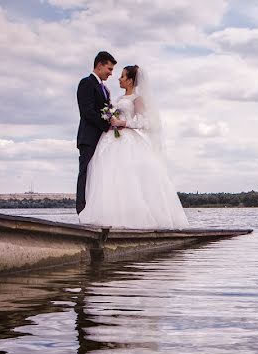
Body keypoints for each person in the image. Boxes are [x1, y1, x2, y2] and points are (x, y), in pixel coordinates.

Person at [78, 64, 190, 230]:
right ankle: (110, 217)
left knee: (128, 178)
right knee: (109, 177)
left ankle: (134, 219)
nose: (119, 78)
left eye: (122, 76)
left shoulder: (137, 99)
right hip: (110, 139)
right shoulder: (116, 98)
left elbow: (144, 122)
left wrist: (122, 122)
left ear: (130, 81)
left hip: (127, 139)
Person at [76, 51, 120, 214]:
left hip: (101, 139)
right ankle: (82, 210)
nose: (111, 73)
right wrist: (107, 125)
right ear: (100, 65)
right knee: (85, 174)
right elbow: (86, 111)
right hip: (88, 138)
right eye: (109, 69)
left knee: (97, 175)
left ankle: (95, 210)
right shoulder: (86, 83)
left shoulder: (105, 89)